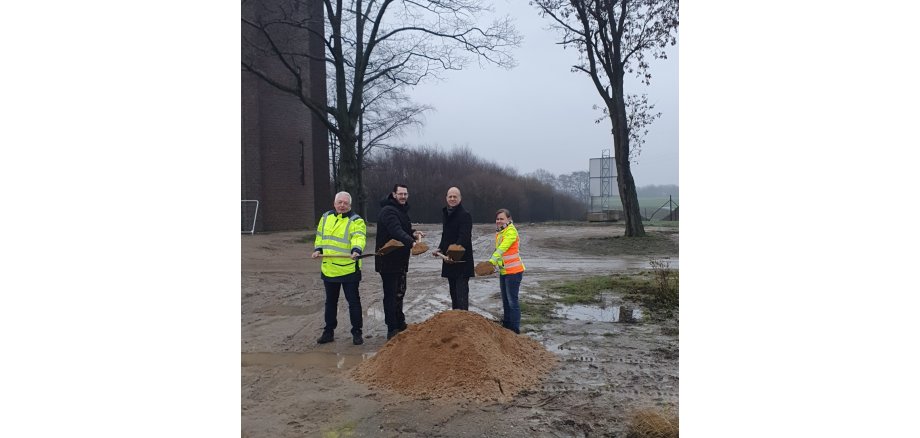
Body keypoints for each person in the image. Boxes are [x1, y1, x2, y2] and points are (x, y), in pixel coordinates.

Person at [311, 191, 367, 345]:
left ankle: (357, 332)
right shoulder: (325, 217)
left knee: (353, 302)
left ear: (350, 205)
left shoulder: (356, 220)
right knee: (330, 302)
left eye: (345, 203)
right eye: (339, 202)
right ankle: (328, 332)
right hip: (329, 268)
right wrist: (318, 250)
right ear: (334, 203)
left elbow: (359, 237)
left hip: (349, 269)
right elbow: (320, 236)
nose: (342, 205)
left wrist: (356, 250)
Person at [375, 184, 425, 339]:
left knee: (400, 292)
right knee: (391, 294)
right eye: (401, 194)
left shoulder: (401, 211)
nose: (403, 196)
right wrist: (412, 242)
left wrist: (413, 233)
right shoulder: (388, 211)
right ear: (394, 195)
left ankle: (400, 321)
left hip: (400, 261)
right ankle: (392, 328)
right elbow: (395, 231)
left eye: (405, 194)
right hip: (388, 260)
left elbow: (403, 229)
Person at [432, 187, 474, 310]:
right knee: (454, 295)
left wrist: (453, 254)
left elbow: (464, 238)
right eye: (450, 196)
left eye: (455, 196)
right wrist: (440, 249)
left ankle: (463, 324)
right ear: (446, 198)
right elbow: (446, 236)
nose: (452, 199)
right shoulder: (447, 214)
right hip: (449, 261)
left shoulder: (465, 215)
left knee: (461, 297)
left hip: (461, 262)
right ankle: (456, 323)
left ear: (460, 198)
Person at [488, 208, 525, 334]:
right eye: (497, 219)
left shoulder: (511, 231)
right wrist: (493, 265)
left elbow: (503, 248)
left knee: (512, 301)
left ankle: (514, 330)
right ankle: (507, 325)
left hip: (514, 272)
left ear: (508, 219)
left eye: (501, 218)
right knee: (505, 300)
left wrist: (492, 260)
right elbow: (499, 251)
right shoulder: (501, 232)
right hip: (505, 272)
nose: (499, 221)